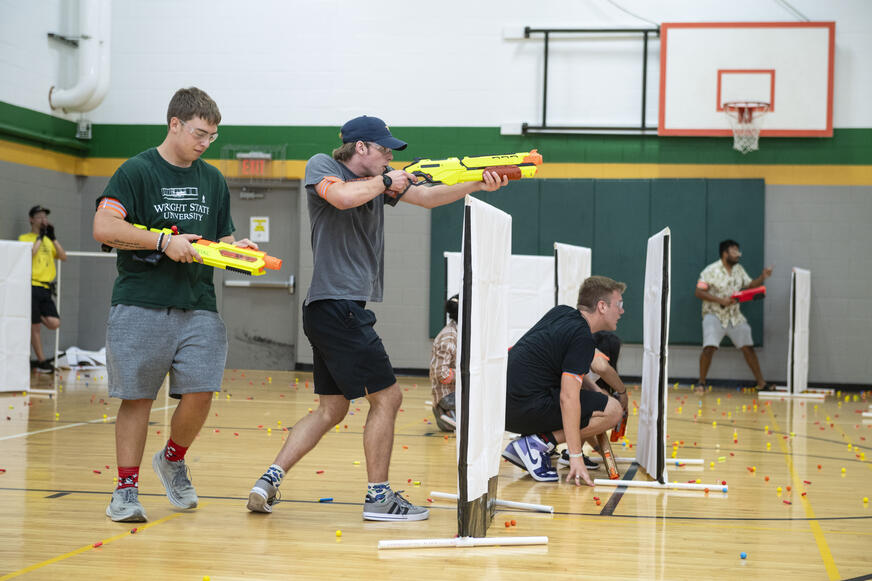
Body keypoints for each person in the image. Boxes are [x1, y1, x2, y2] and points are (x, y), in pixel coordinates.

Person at [247, 115, 508, 521]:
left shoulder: (380, 181)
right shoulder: (323, 166)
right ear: (360, 148)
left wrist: (478, 182)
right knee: (388, 397)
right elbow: (341, 198)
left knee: (330, 410)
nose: (389, 155)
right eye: (383, 148)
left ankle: (268, 480)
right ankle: (379, 497)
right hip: (337, 306)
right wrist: (389, 180)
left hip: (333, 310)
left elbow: (428, 197)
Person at [93, 87, 256, 522]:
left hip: (199, 303)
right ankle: (125, 491)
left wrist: (235, 250)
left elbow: (217, 240)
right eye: (200, 133)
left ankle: (171, 459)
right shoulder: (135, 171)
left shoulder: (213, 179)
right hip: (141, 303)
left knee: (201, 392)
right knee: (138, 399)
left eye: (212, 137)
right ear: (175, 124)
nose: (206, 143)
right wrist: (163, 241)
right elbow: (104, 226)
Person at [502, 276, 626, 487]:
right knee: (613, 411)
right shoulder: (582, 337)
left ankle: (539, 443)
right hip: (524, 407)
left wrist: (596, 391)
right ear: (602, 306)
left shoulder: (561, 313)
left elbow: (573, 367)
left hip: (509, 407)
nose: (622, 311)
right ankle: (537, 444)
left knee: (596, 404)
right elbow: (568, 398)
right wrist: (577, 455)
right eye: (619, 305)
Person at [695, 239, 773, 393]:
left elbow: (750, 285)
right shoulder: (711, 270)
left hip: (735, 316)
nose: (738, 254)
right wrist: (721, 300)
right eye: (734, 251)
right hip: (714, 315)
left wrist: (763, 277)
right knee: (709, 348)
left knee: (748, 348)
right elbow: (699, 292)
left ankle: (761, 383)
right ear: (725, 253)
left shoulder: (739, 270)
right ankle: (701, 382)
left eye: (738, 250)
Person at [556, 330, 627, 469]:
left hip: (555, 403)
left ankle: (568, 452)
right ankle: (568, 452)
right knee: (605, 411)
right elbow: (584, 420)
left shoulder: (585, 366)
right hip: (557, 405)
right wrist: (622, 392)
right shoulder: (595, 363)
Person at [19, 205, 67, 373]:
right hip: (31, 284)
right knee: (35, 327)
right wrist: (39, 237)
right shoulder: (25, 238)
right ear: (32, 219)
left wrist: (52, 238)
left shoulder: (48, 240)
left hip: (46, 288)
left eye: (45, 217)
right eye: (39, 217)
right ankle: (40, 360)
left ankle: (34, 313)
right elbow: (30, 254)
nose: (43, 220)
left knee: (54, 323)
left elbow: (63, 256)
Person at [430, 294, 459, 431]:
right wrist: (463, 374)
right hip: (447, 396)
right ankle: (447, 414)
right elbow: (441, 374)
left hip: (456, 393)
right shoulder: (449, 337)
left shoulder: (460, 332)